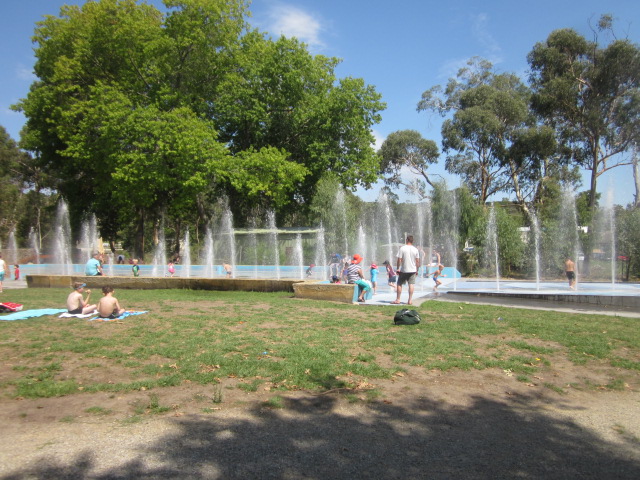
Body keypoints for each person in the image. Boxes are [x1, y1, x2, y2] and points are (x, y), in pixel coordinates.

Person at [393, 235, 421, 305]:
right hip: (413, 270)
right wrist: (417, 270)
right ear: (412, 241)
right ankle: (410, 300)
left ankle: (398, 299)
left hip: (404, 270)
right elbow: (417, 261)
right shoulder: (415, 249)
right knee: (411, 284)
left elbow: (399, 259)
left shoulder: (402, 248)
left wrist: (398, 268)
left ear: (407, 240)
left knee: (399, 283)